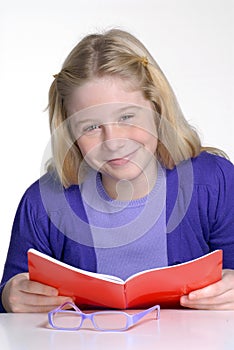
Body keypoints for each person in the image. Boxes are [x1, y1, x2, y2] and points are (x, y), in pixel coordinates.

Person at [1, 28, 234, 313]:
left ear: (157, 108)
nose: (113, 142)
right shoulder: (42, 203)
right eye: (91, 126)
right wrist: (10, 297)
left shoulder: (214, 181)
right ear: (70, 132)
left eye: (126, 116)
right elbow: (12, 303)